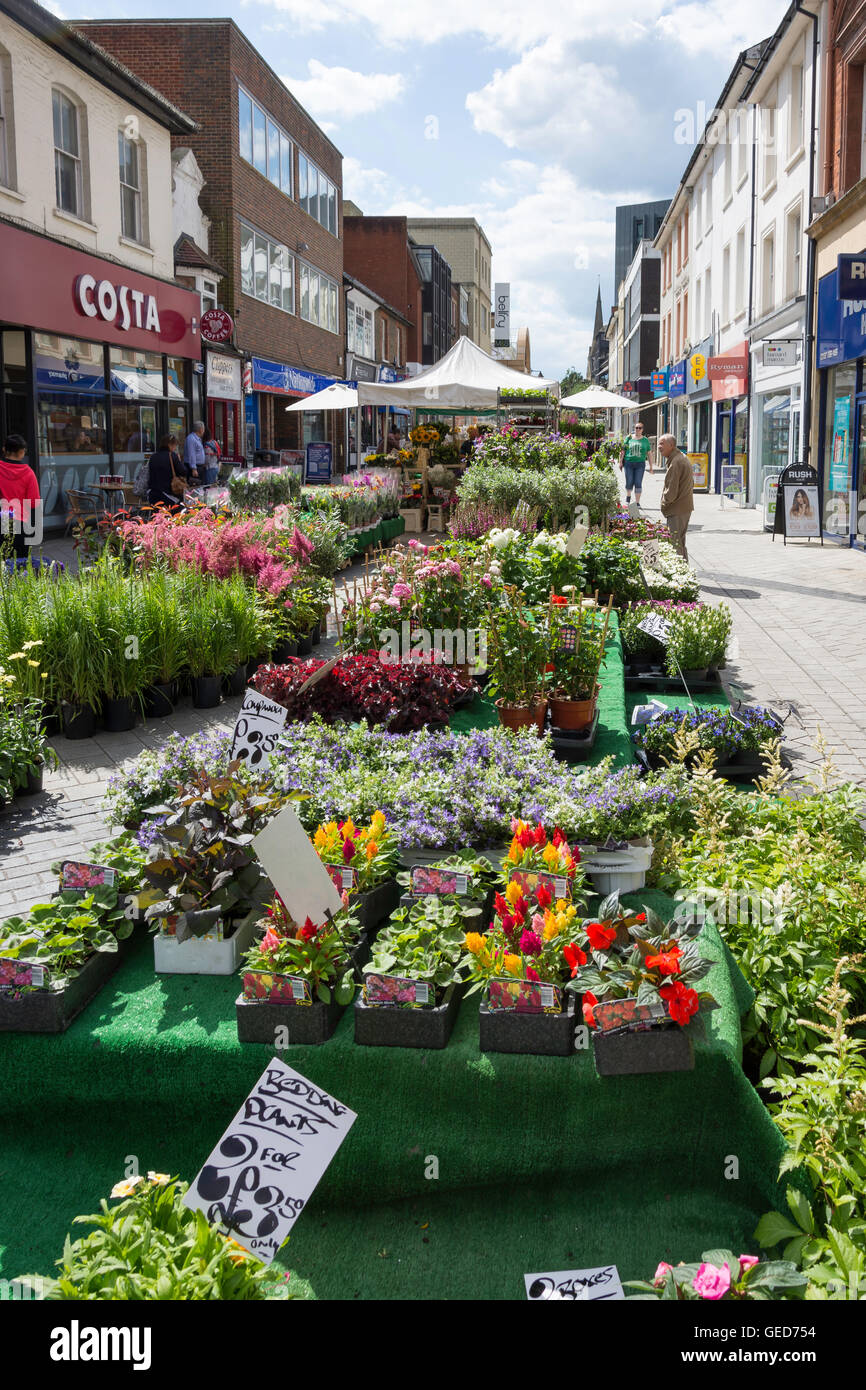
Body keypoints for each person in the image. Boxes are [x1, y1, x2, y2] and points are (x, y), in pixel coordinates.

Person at [0, 434, 40, 559]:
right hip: (21, 524)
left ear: (4, 449)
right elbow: (33, 503)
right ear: (22, 452)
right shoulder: (28, 473)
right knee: (20, 565)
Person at [657, 433, 694, 560]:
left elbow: (671, 492)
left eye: (662, 443)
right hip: (683, 507)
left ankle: (680, 574)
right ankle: (685, 573)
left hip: (677, 509)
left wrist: (663, 503)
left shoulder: (676, 462)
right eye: (658, 443)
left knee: (675, 543)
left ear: (671, 445)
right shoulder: (679, 458)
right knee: (680, 542)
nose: (658, 446)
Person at [146, 433, 195, 508]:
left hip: (153, 494)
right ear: (170, 445)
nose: (175, 448)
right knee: (182, 507)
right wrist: (179, 460)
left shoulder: (153, 457)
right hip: (167, 494)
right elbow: (183, 471)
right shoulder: (172, 456)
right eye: (175, 445)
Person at [619, 421, 652, 507]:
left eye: (639, 428)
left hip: (640, 464)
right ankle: (628, 499)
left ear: (642, 430)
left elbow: (649, 453)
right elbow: (623, 450)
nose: (637, 429)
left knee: (638, 482)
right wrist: (620, 462)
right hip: (628, 463)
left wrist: (651, 466)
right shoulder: (629, 438)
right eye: (636, 428)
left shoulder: (645, 440)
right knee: (629, 481)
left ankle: (637, 502)